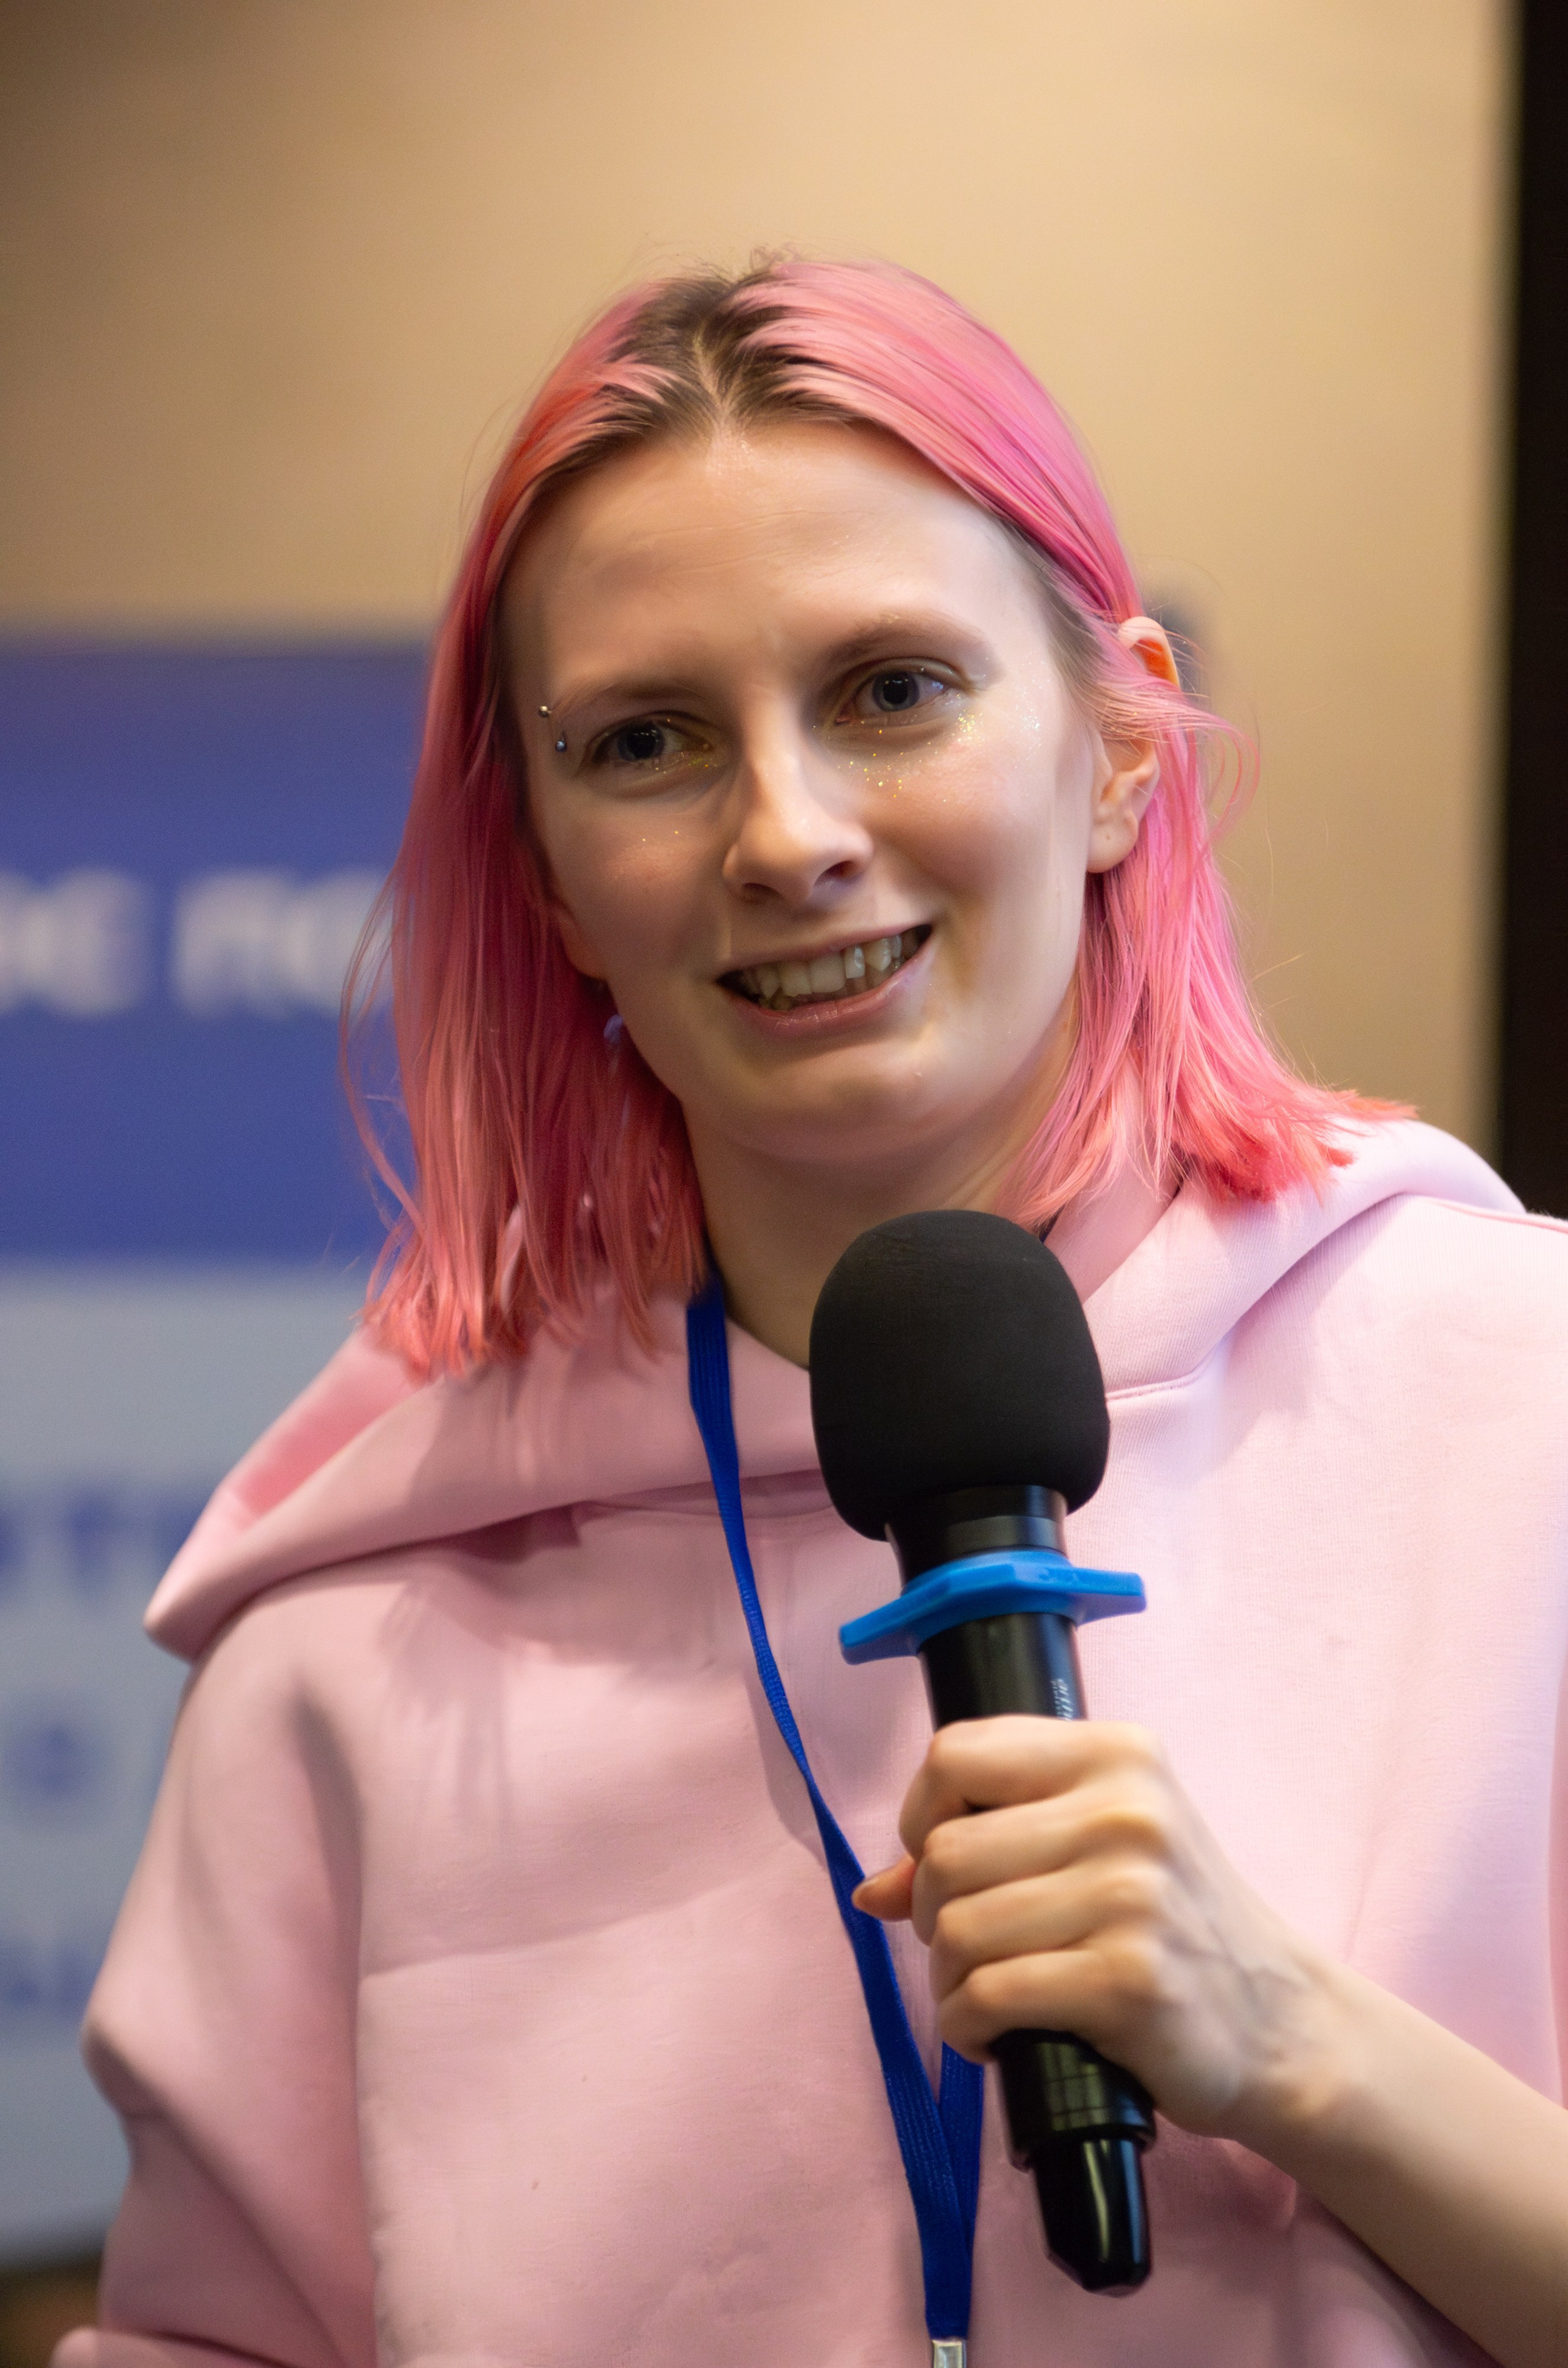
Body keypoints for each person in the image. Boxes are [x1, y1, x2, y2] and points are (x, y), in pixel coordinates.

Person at [58, 260, 1568, 2368]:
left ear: (1120, 743)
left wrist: (1300, 2048)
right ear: (551, 876)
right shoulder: (363, 1630)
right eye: (647, 742)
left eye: (892, 689)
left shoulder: (1519, 1415)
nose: (788, 837)